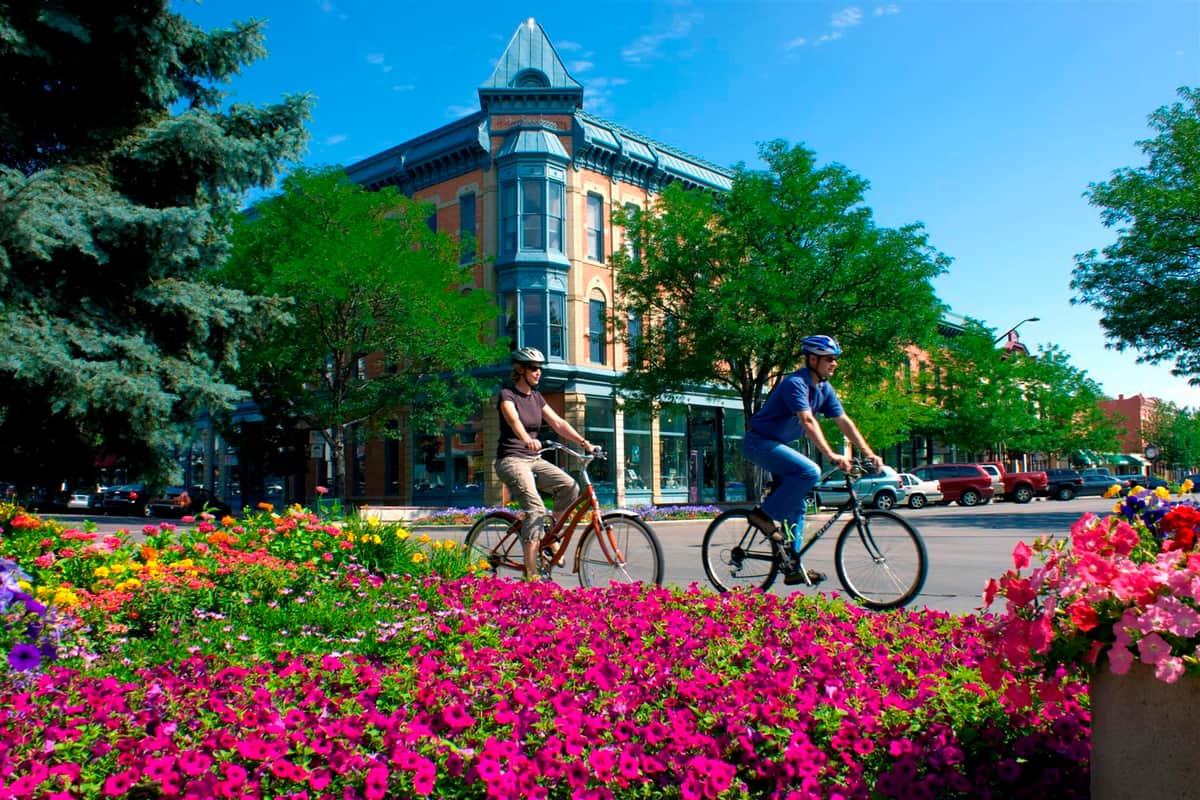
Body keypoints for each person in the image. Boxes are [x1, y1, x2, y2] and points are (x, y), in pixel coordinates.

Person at [742, 334, 883, 585]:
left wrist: (869, 452)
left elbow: (844, 422)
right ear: (813, 359)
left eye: (835, 359)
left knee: (798, 505)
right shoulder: (795, 383)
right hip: (759, 443)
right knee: (810, 471)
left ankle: (792, 565)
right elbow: (807, 421)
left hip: (778, 445)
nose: (834, 364)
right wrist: (830, 454)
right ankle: (763, 516)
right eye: (830, 359)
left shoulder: (824, 389)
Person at [494, 347, 597, 580]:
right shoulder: (507, 395)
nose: (538, 372)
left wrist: (584, 442)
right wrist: (526, 439)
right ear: (520, 370)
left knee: (570, 486)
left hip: (534, 459)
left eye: (540, 368)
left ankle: (551, 536)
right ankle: (531, 575)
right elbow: (513, 420)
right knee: (536, 510)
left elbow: (559, 423)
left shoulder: (537, 397)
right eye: (533, 368)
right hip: (512, 460)